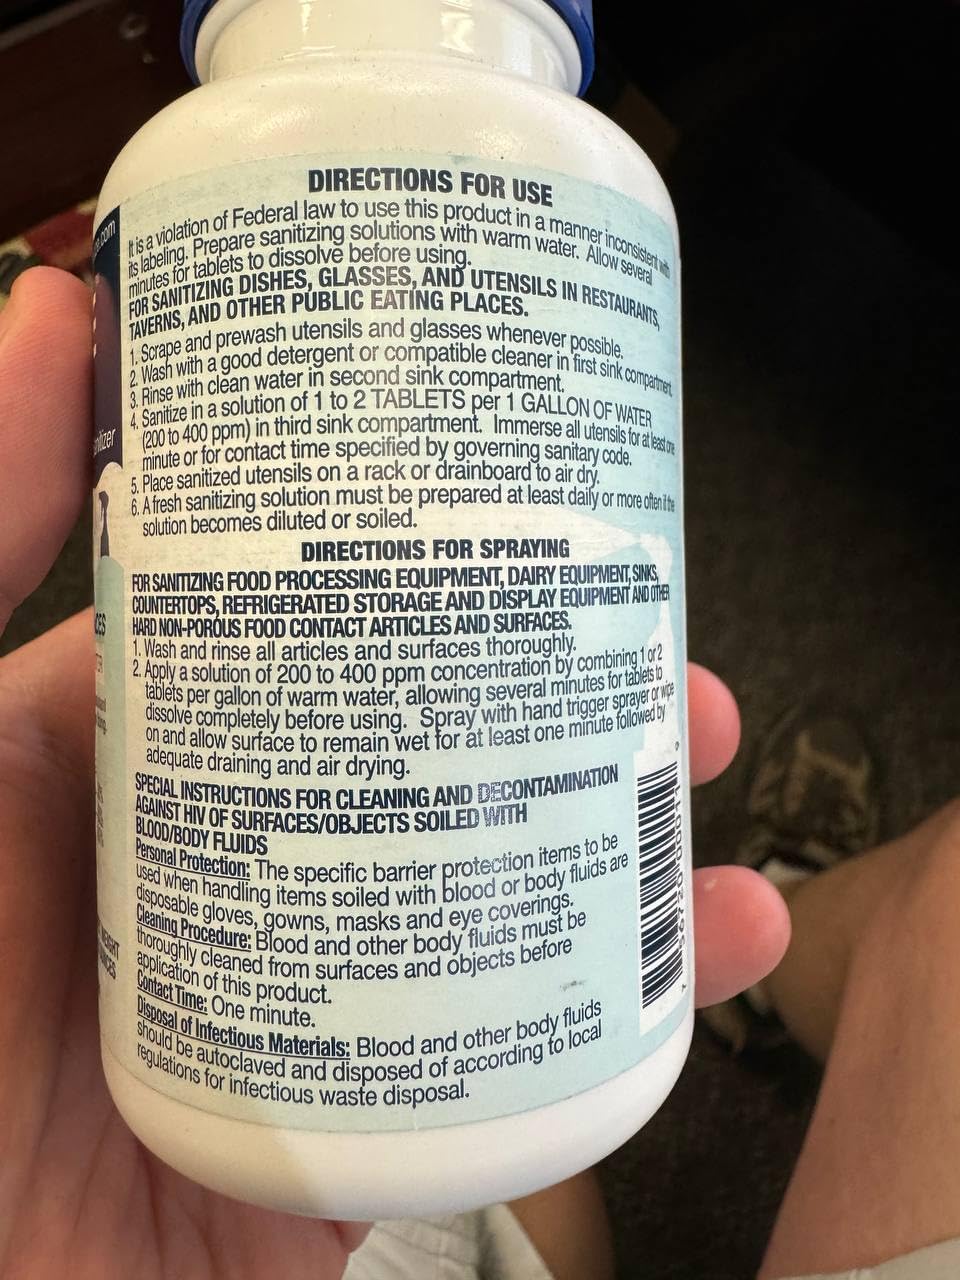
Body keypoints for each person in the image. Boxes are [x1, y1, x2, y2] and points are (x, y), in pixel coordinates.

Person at [0, 265, 952, 1280]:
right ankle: (770, 932)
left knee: (520, 1128)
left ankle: (757, 968)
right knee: (532, 1122)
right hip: (258, 1117)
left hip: (188, 1175)